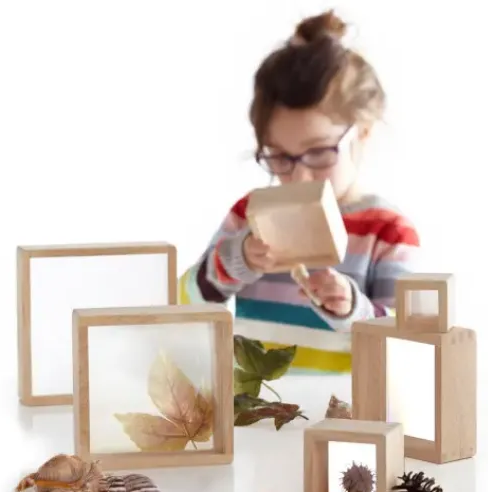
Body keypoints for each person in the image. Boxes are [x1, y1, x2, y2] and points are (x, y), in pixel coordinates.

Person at [178, 10, 420, 375]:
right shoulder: (249, 215)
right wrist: (235, 260)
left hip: (346, 407)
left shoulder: (387, 233)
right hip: (255, 403)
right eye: (279, 157)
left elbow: (408, 346)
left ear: (363, 132)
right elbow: (184, 305)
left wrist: (351, 308)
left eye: (319, 152)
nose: (301, 176)